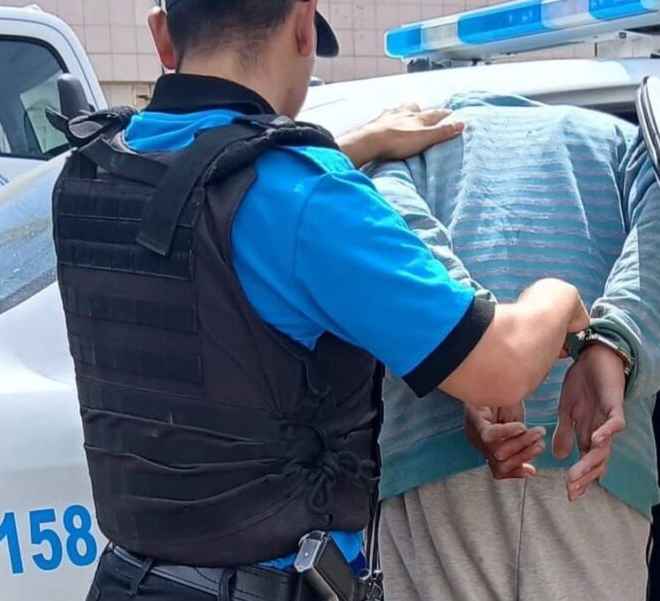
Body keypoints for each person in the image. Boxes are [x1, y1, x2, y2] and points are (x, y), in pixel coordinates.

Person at [50, 3, 594, 601]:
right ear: (304, 27)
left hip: (127, 580)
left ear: (161, 35)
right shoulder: (308, 197)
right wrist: (559, 295)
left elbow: (203, 195)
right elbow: (499, 365)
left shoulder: (94, 169)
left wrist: (359, 144)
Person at [368, 93, 660, 601]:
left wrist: (478, 360)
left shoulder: (406, 141)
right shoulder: (633, 145)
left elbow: (394, 235)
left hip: (435, 462)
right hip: (594, 459)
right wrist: (612, 344)